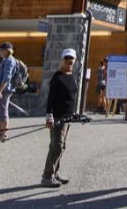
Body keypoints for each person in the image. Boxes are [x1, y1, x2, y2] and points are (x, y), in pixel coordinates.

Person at [41, 48, 79, 188]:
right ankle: (47, 176)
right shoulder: (57, 77)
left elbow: (71, 97)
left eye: (72, 59)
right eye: (67, 58)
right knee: (56, 146)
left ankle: (55, 173)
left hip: (68, 117)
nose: (69, 61)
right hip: (58, 117)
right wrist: (49, 116)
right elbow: (51, 99)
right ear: (62, 60)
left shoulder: (71, 76)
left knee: (62, 146)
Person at [0, 42, 18, 143]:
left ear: (7, 50)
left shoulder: (9, 61)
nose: (0, 52)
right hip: (2, 89)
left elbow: (7, 77)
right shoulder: (5, 60)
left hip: (4, 90)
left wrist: (0, 90)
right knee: (0, 112)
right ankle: (0, 133)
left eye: (2, 50)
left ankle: (3, 134)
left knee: (3, 112)